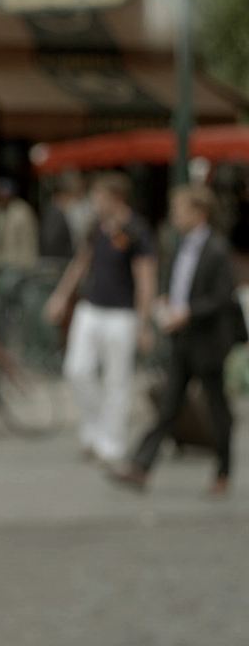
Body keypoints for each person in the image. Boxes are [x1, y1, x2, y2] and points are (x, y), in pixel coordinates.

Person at [111, 186, 239, 497]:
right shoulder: (180, 245)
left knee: (217, 406)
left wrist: (188, 312)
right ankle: (141, 466)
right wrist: (169, 301)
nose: (175, 216)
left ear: (199, 213)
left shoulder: (217, 249)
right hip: (183, 340)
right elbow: (182, 283)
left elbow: (222, 297)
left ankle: (223, 470)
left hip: (208, 341)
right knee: (169, 405)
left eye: (180, 210)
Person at [44, 173, 157, 466]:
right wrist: (61, 296)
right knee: (77, 370)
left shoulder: (136, 230)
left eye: (98, 197)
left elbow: (145, 278)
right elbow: (81, 263)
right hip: (91, 308)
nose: (94, 202)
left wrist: (144, 323)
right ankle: (94, 427)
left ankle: (112, 440)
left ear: (115, 198)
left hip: (122, 314)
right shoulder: (96, 227)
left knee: (116, 379)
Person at [0, 178, 38, 270]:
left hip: (17, 264)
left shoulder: (22, 211)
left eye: (5, 194)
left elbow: (29, 241)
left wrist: (27, 265)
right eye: (0, 194)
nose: (3, 197)